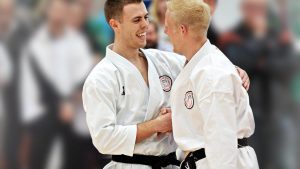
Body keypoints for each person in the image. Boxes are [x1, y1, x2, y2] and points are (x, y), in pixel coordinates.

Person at [83, 0, 250, 169]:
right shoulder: (100, 78)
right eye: (136, 20)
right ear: (115, 24)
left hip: (172, 164)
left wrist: (233, 69)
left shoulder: (164, 60)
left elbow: (204, 61)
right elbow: (103, 139)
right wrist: (156, 125)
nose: (145, 25)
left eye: (146, 17)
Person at [164, 0, 259, 169]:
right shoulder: (199, 65)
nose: (165, 31)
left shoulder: (213, 74)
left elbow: (221, 139)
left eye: (167, 26)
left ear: (182, 30)